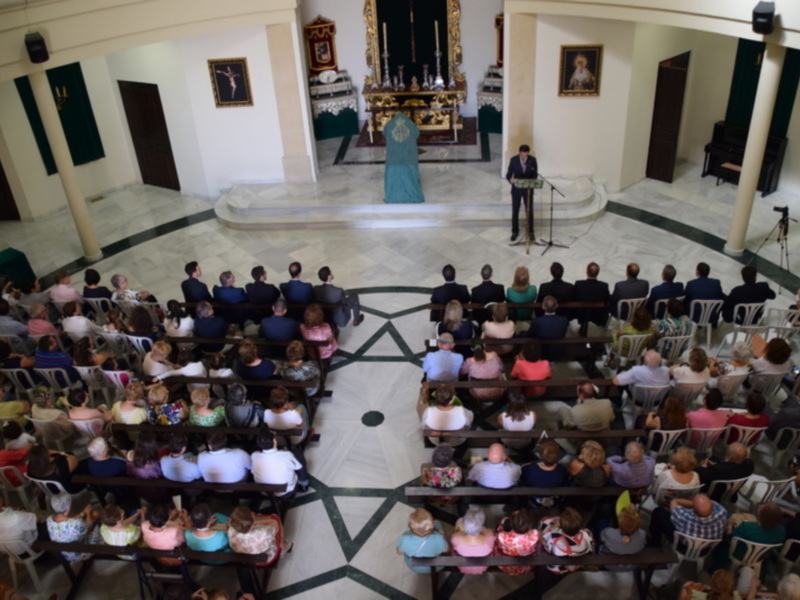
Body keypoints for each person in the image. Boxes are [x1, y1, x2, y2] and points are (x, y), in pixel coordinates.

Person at [648, 493, 727, 547]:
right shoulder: (722, 512)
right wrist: (698, 505)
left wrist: (694, 504)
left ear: (693, 510)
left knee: (658, 512)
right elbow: (714, 503)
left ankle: (655, 542)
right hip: (707, 548)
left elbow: (674, 502)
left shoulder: (685, 518)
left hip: (683, 546)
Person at [251, 427, 308, 496]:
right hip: (286, 491)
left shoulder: (254, 456)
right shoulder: (287, 455)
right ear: (275, 441)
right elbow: (299, 467)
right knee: (298, 454)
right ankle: (304, 483)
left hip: (264, 492)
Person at [46, 492, 100, 562]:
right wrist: (88, 513)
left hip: (64, 554)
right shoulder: (76, 523)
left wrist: (83, 513)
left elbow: (71, 521)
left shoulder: (49, 519)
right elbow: (89, 527)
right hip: (80, 553)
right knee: (96, 519)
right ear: (68, 507)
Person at [539, 507, 595, 573]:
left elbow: (542, 541)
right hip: (576, 563)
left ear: (561, 526)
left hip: (558, 567)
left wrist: (553, 527)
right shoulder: (587, 533)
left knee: (543, 521)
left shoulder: (554, 539)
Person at [396, 508, 449, 573]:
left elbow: (399, 553)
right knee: (438, 522)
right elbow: (447, 551)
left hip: (415, 567)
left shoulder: (405, 539)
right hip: (437, 567)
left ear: (411, 527)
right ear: (432, 526)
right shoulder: (439, 538)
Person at [505, 144, 538, 244]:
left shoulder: (532, 160)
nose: (524, 157)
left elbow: (535, 174)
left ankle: (531, 231)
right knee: (515, 209)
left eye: (526, 155)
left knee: (529, 210)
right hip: (516, 189)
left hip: (528, 189)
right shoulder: (513, 160)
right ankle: (515, 231)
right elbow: (509, 173)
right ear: (520, 152)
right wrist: (511, 179)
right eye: (522, 155)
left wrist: (530, 181)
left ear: (528, 153)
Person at [520, 440, 568, 507]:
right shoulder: (561, 469)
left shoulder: (529, 468)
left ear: (540, 455)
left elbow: (522, 475)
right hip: (555, 501)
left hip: (533, 501)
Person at [599, 505, 646, 571]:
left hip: (609, 564)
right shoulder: (642, 534)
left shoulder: (610, 533)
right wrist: (633, 512)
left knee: (601, 522)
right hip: (631, 565)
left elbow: (602, 535)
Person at [451, 507, 496, 574]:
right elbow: (488, 531)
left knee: (459, 521)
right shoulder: (490, 537)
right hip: (481, 566)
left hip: (464, 566)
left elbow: (453, 547)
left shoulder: (456, 538)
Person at [495, 509, 540, 576]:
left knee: (495, 543)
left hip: (507, 565)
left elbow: (499, 546)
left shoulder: (502, 536)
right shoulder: (535, 534)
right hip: (527, 565)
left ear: (511, 524)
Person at [526, 296, 568, 361]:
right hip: (557, 351)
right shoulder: (564, 320)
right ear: (556, 306)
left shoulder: (537, 321)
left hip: (540, 352)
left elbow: (530, 335)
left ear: (542, 307)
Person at [573, 261, 611, 328]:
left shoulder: (579, 284)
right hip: (597, 315)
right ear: (598, 273)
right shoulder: (603, 286)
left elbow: (574, 298)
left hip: (581, 314)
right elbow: (607, 300)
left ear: (587, 272)